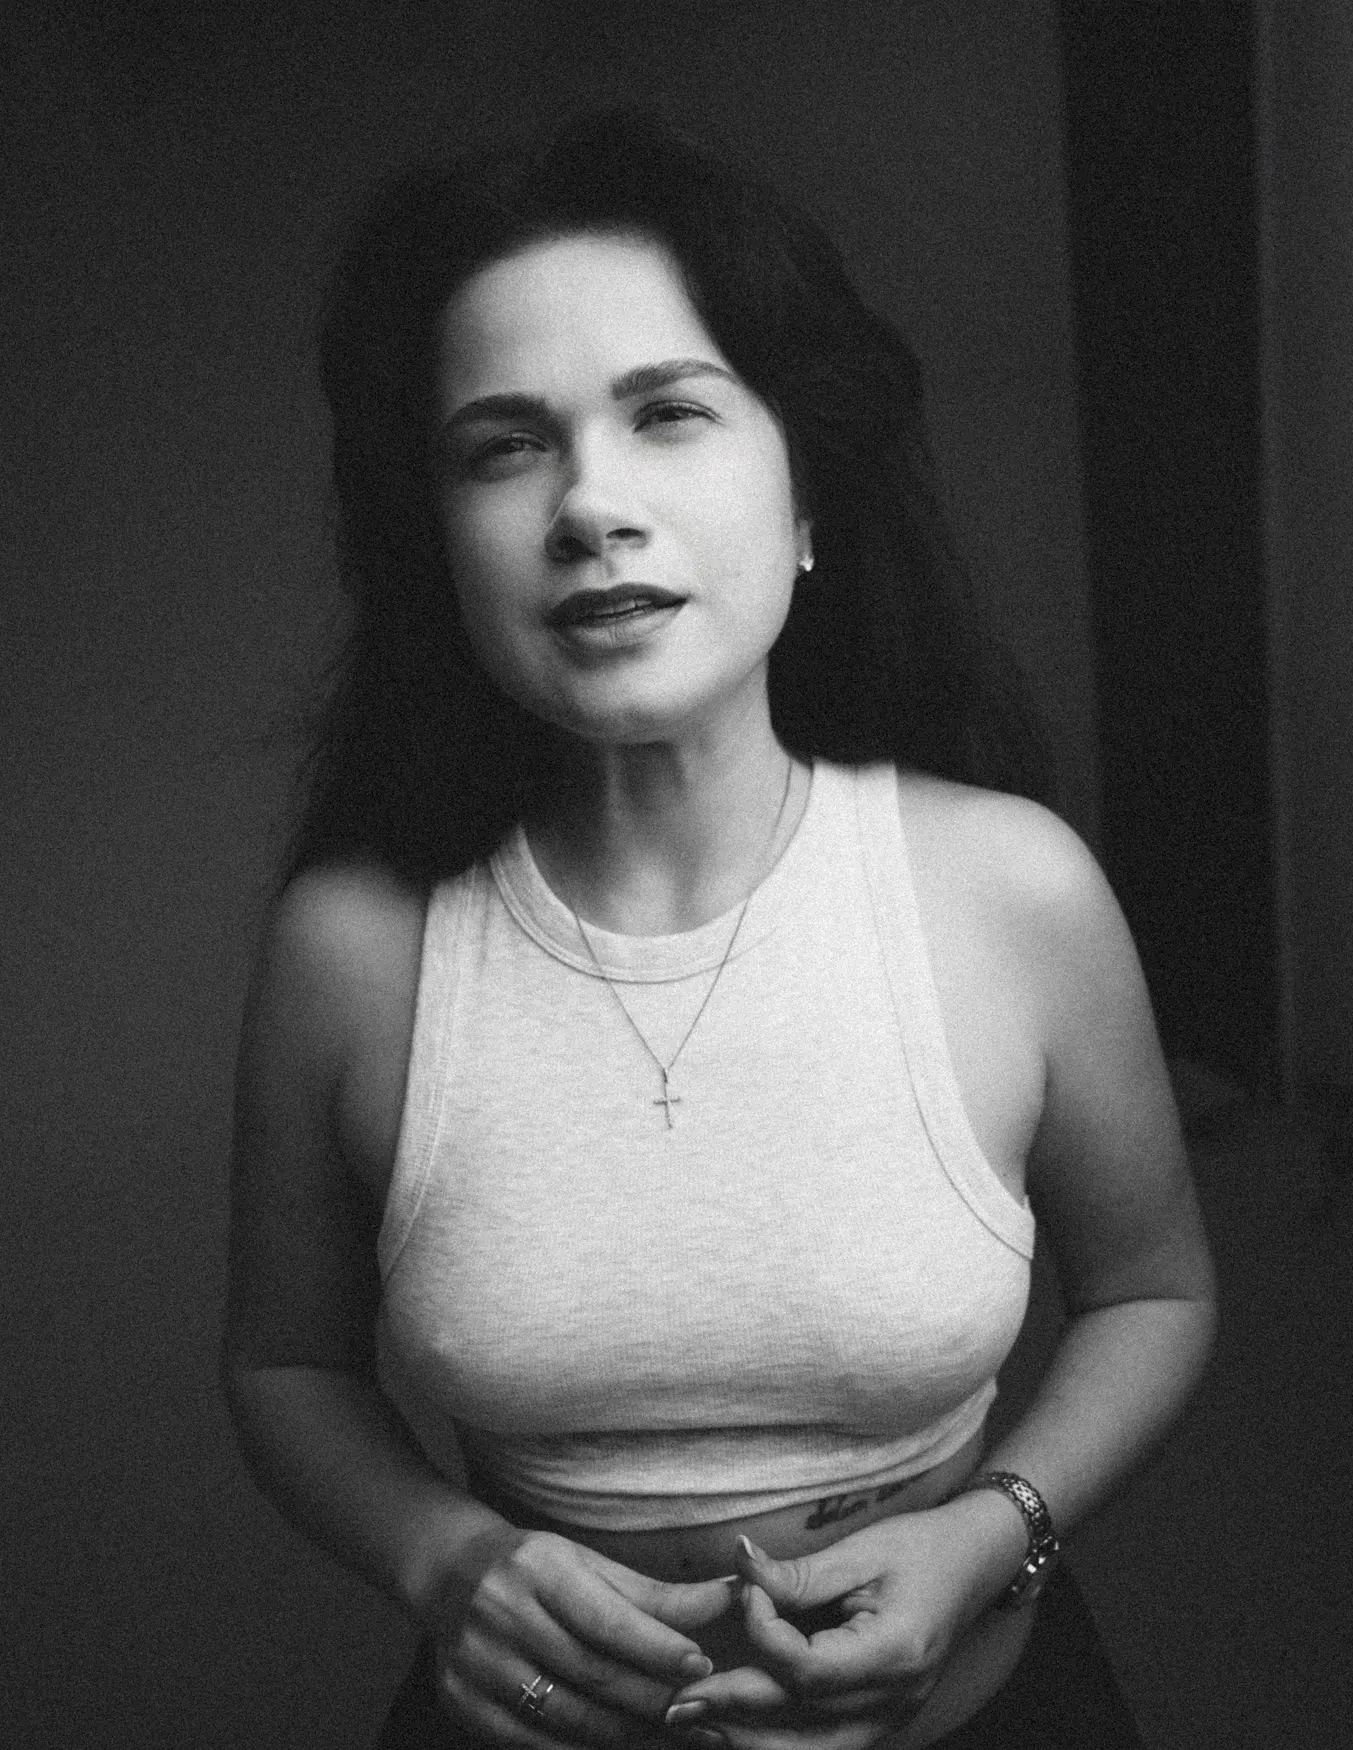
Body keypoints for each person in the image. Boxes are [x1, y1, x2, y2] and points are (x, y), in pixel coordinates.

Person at [222, 108, 1217, 1750]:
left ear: (805, 494)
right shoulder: (355, 949)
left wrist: (995, 1533)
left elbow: (1155, 1294)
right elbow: (285, 1366)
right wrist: (442, 1556)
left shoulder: (1013, 892)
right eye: (502, 446)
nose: (590, 504)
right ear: (439, 545)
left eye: (670, 412)